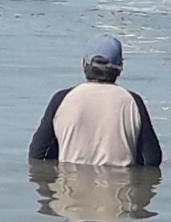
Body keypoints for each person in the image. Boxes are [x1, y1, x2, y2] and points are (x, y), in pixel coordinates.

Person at [29, 35, 163, 167]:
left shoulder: (62, 99)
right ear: (120, 68)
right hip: (120, 180)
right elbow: (152, 159)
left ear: (83, 64)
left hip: (70, 180)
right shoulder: (133, 102)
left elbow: (38, 154)